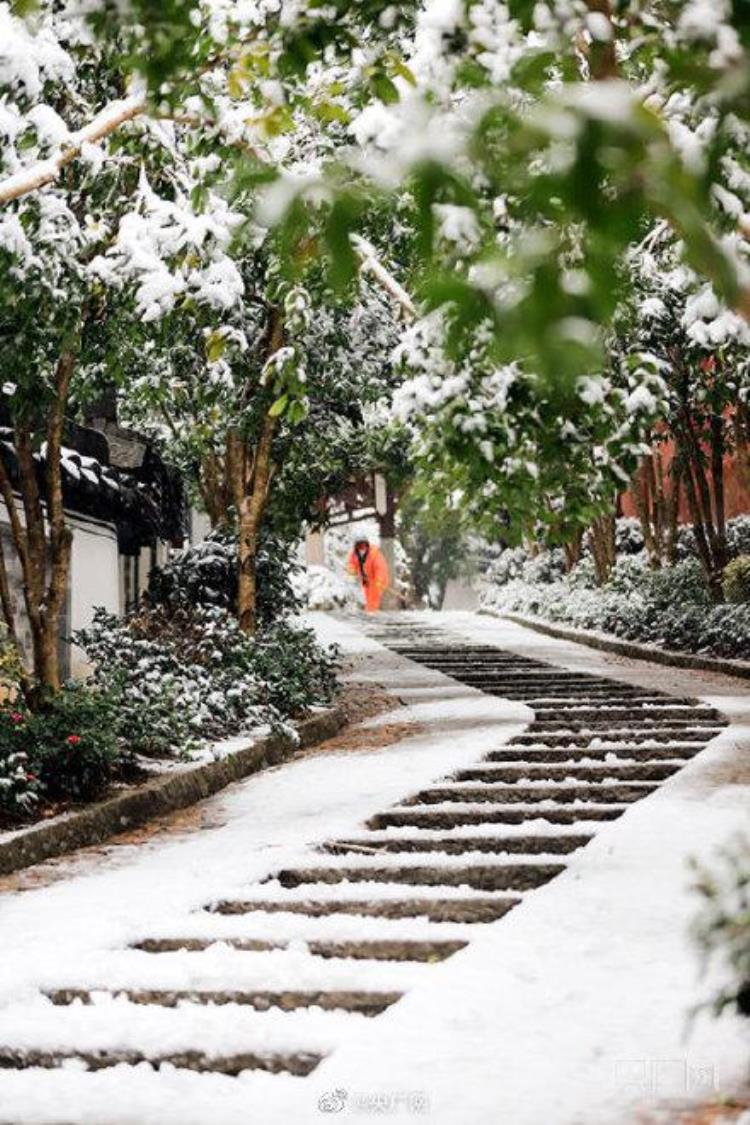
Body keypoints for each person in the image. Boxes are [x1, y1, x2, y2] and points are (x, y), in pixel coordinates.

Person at [346, 537, 390, 613]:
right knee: (367, 595)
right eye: (359, 546)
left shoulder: (374, 554)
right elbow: (351, 563)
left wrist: (379, 580)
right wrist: (352, 570)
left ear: (367, 545)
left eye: (364, 545)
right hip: (366, 579)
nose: (362, 548)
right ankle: (369, 610)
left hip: (377, 579)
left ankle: (372, 611)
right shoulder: (354, 554)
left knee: (373, 595)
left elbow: (380, 568)